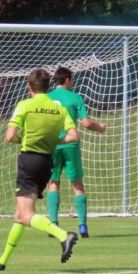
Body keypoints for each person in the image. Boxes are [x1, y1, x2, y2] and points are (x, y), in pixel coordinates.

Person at [0, 68, 80, 271]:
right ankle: (2, 261)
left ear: (28, 87)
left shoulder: (25, 105)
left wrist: (21, 139)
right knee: (20, 215)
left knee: (26, 215)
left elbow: (9, 136)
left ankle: (63, 236)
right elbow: (73, 136)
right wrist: (53, 140)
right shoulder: (58, 109)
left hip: (29, 160)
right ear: (48, 87)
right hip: (46, 162)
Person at [45, 67, 107, 238]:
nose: (73, 83)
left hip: (52, 144)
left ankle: (53, 224)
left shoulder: (46, 98)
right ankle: (82, 226)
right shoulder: (75, 98)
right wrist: (100, 128)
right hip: (70, 144)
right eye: (72, 80)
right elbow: (86, 123)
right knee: (77, 186)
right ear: (66, 80)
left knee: (53, 183)